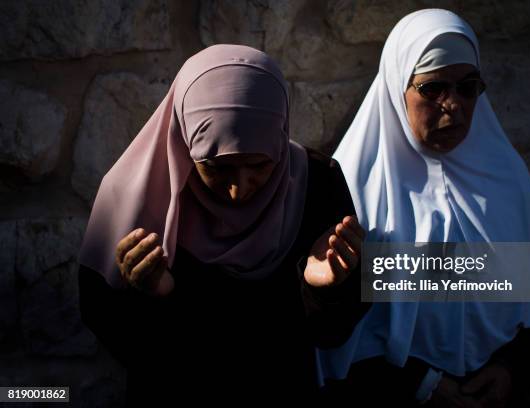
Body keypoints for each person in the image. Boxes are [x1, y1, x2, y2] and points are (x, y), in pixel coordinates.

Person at [77, 44, 369, 405]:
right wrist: (153, 295)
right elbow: (112, 328)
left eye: (261, 166)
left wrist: (324, 289)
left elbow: (332, 334)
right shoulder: (136, 199)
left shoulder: (316, 184)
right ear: (185, 141)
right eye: (216, 167)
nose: (238, 189)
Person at [317, 9, 530, 407]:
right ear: (397, 88)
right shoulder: (354, 191)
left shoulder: (505, 178)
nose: (452, 104)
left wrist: (511, 369)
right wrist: (422, 385)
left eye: (467, 87)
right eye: (433, 88)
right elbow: (337, 335)